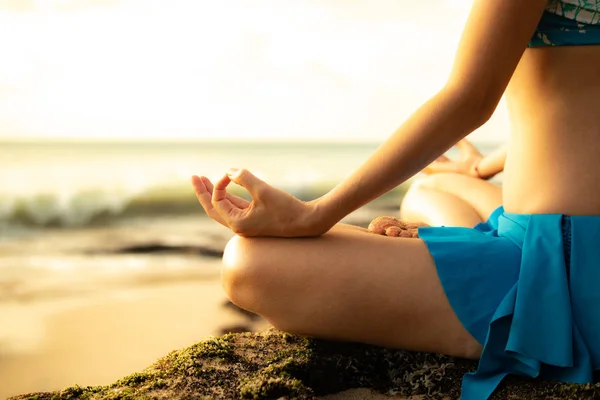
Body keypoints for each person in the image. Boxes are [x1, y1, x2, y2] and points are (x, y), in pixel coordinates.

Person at [191, 1, 600, 398]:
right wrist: (480, 168)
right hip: (553, 230)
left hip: (562, 267)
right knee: (431, 189)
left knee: (248, 263)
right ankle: (456, 255)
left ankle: (468, 272)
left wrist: (315, 214)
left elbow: (470, 97)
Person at [400, 138, 506, 228]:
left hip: (520, 220)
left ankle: (467, 245)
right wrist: (476, 167)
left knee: (424, 189)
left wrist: (476, 167)